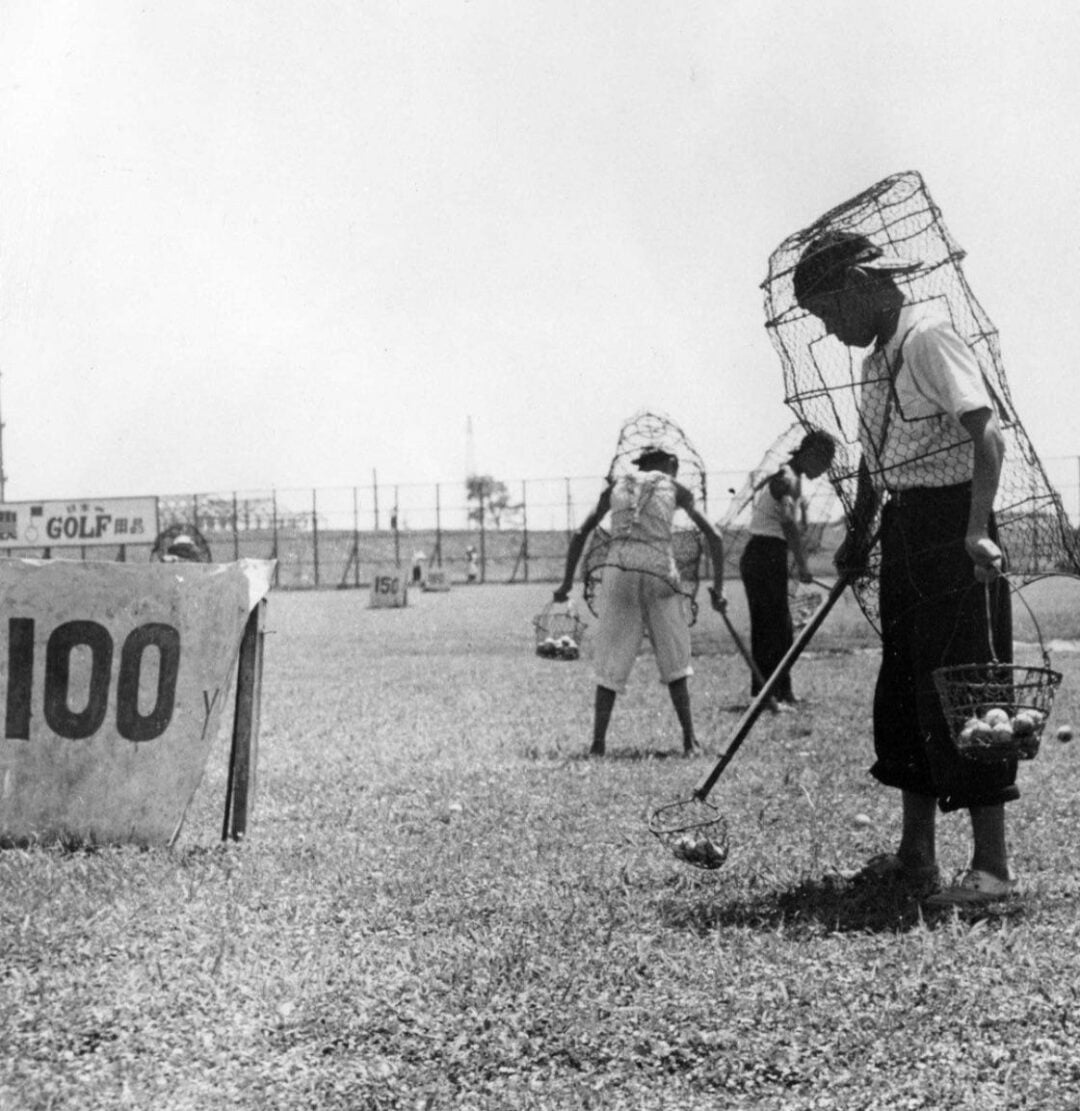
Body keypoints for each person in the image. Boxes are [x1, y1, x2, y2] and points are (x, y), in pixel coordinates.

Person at [793, 229, 1014, 907]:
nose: (831, 331)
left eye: (830, 313)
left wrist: (975, 529)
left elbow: (989, 434)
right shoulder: (876, 359)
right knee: (905, 692)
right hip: (906, 529)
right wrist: (861, 530)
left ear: (860, 285)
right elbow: (874, 454)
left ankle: (991, 870)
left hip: (954, 528)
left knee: (969, 694)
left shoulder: (926, 338)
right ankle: (917, 858)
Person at [553, 447, 726, 757]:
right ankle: (690, 742)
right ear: (670, 465)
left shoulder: (618, 486)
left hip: (619, 568)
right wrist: (719, 588)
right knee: (675, 657)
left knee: (610, 659)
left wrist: (566, 584)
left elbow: (581, 533)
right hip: (660, 568)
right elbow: (715, 536)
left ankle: (598, 745)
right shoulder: (673, 487)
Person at [739, 429, 836, 705]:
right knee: (776, 627)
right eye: (824, 462)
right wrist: (803, 565)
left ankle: (775, 691)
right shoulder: (788, 479)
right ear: (810, 454)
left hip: (764, 554)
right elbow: (787, 524)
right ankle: (773, 693)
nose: (826, 469)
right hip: (765, 554)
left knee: (775, 626)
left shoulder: (793, 478)